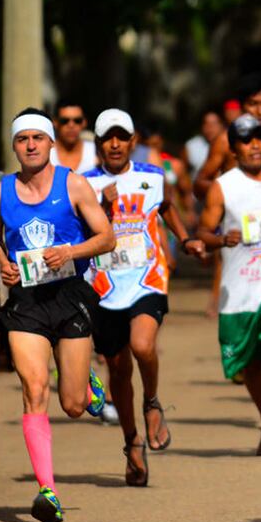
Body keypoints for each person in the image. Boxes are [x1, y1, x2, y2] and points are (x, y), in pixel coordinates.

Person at [0, 108, 115, 522]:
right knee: (34, 387)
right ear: (14, 146)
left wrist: (70, 252)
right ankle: (47, 490)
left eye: (37, 138)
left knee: (72, 405)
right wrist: (2, 262)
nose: (30, 146)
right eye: (22, 139)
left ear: (51, 143)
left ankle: (87, 389)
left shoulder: (72, 184)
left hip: (70, 295)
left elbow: (106, 237)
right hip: (26, 301)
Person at [84, 109, 206, 485]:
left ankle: (151, 401)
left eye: (122, 137)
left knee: (142, 345)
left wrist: (185, 238)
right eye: (108, 138)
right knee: (118, 370)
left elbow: (166, 206)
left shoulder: (151, 176)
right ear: (98, 144)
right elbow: (76, 230)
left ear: (133, 141)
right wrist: (99, 208)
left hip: (146, 279)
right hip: (103, 287)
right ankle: (132, 442)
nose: (115, 144)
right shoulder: (83, 184)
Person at [196, 114, 261, 455]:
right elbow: (203, 232)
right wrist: (219, 240)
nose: (254, 145)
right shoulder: (223, 186)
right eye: (245, 140)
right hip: (239, 289)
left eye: (259, 137)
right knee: (249, 368)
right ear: (233, 148)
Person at [193, 73, 261, 198]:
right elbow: (199, 184)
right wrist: (233, 193)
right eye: (252, 104)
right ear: (242, 106)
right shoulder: (225, 141)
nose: (260, 111)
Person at [49, 99, 99, 172]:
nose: (71, 125)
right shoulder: (47, 153)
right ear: (55, 122)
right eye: (64, 121)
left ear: (84, 122)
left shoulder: (96, 151)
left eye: (77, 121)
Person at [183, 107, 224, 179]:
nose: (210, 128)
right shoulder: (190, 146)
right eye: (206, 124)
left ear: (222, 125)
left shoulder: (231, 145)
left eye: (214, 124)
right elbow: (183, 174)